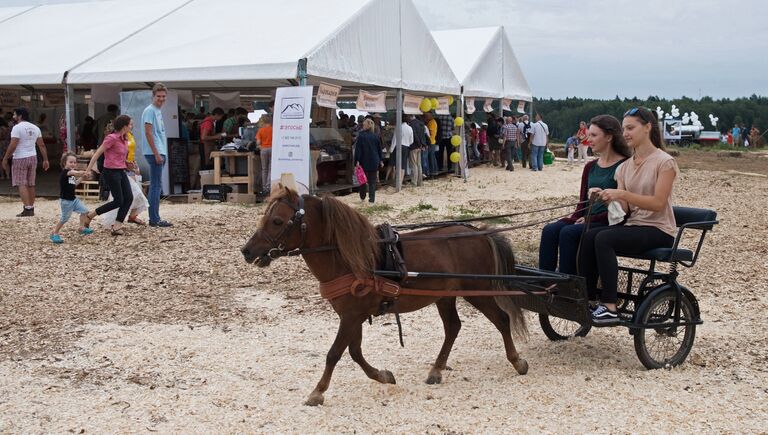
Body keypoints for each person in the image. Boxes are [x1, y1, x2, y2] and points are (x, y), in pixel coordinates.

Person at [579, 107, 679, 324]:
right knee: (588, 236)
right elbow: (624, 209)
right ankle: (590, 298)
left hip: (659, 229)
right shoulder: (624, 167)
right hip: (634, 225)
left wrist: (622, 193)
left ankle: (610, 306)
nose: (625, 133)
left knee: (604, 238)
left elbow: (658, 203)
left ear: (647, 127)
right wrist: (607, 197)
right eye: (624, 128)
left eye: (630, 128)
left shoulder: (665, 162)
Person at [539, 115, 631, 275]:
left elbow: (622, 210)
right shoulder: (590, 166)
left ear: (609, 137)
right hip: (587, 219)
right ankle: (544, 282)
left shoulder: (624, 166)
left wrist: (589, 220)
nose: (589, 140)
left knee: (568, 233)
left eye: (594, 135)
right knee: (550, 229)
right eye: (588, 135)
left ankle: (569, 288)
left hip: (609, 222)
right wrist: (571, 219)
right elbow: (582, 203)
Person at [83, 115, 135, 236]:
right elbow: (97, 154)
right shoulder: (111, 138)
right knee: (118, 201)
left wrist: (128, 164)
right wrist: (88, 169)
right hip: (110, 172)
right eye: (130, 124)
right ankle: (91, 215)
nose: (131, 126)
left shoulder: (125, 138)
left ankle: (117, 226)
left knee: (129, 198)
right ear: (124, 126)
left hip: (121, 171)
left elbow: (120, 156)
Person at [2, 107, 50, 217]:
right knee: (31, 183)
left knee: (21, 183)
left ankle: (27, 208)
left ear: (20, 116)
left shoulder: (17, 128)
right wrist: (46, 159)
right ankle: (31, 207)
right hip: (33, 157)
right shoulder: (35, 128)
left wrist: (5, 158)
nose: (13, 117)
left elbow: (13, 144)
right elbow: (41, 145)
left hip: (20, 157)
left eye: (15, 115)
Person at [141, 83, 172, 227]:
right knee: (155, 186)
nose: (161, 99)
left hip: (159, 151)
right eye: (158, 96)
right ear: (153, 96)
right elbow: (148, 132)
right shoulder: (150, 111)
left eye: (163, 96)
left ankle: (155, 217)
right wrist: (156, 153)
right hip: (155, 152)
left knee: (156, 185)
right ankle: (154, 218)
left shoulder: (157, 111)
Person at [50, 153, 95, 243]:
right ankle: (55, 233)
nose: (73, 164)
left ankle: (81, 228)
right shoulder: (66, 172)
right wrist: (82, 172)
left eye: (74, 162)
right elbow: (74, 172)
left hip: (73, 199)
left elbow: (74, 185)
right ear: (64, 163)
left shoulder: (72, 175)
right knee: (64, 218)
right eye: (71, 162)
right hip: (66, 201)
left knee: (85, 211)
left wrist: (82, 178)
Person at [354, 118, 383, 203]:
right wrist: (380, 160)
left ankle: (363, 197)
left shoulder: (361, 136)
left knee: (362, 179)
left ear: (366, 126)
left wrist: (357, 160)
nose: (362, 126)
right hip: (374, 160)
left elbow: (358, 150)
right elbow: (379, 150)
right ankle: (372, 199)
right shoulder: (376, 136)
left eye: (363, 125)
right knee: (372, 181)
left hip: (364, 160)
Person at [388, 115, 413, 187]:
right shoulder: (410, 128)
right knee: (403, 165)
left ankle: (396, 181)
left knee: (396, 164)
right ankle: (400, 182)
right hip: (406, 147)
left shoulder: (398, 127)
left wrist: (391, 149)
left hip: (398, 146)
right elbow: (411, 141)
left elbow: (395, 139)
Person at [256, 115, 273, 194]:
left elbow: (258, 142)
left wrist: (261, 148)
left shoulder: (260, 130)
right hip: (272, 149)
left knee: (264, 169)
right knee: (270, 168)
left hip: (263, 150)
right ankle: (269, 186)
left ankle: (264, 187)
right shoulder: (273, 129)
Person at [407, 115, 425, 186]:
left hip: (414, 146)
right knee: (419, 164)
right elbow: (423, 135)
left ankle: (414, 182)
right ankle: (420, 182)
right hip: (419, 146)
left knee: (414, 164)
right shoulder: (421, 124)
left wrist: (418, 143)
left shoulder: (412, 124)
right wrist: (422, 144)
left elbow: (414, 135)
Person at [424, 112, 438, 176]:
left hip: (431, 142)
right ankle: (434, 170)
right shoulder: (431, 122)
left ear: (431, 116)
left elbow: (430, 132)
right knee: (432, 156)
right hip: (432, 141)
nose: (426, 117)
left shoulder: (432, 122)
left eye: (426, 116)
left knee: (431, 157)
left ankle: (433, 171)